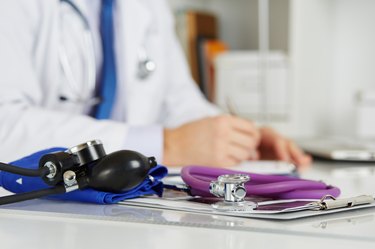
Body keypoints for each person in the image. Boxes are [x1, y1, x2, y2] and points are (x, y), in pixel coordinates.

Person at [0, 0, 311, 167]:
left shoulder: (146, 6)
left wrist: (236, 136)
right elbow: (6, 125)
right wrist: (165, 146)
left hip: (117, 206)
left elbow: (178, 101)